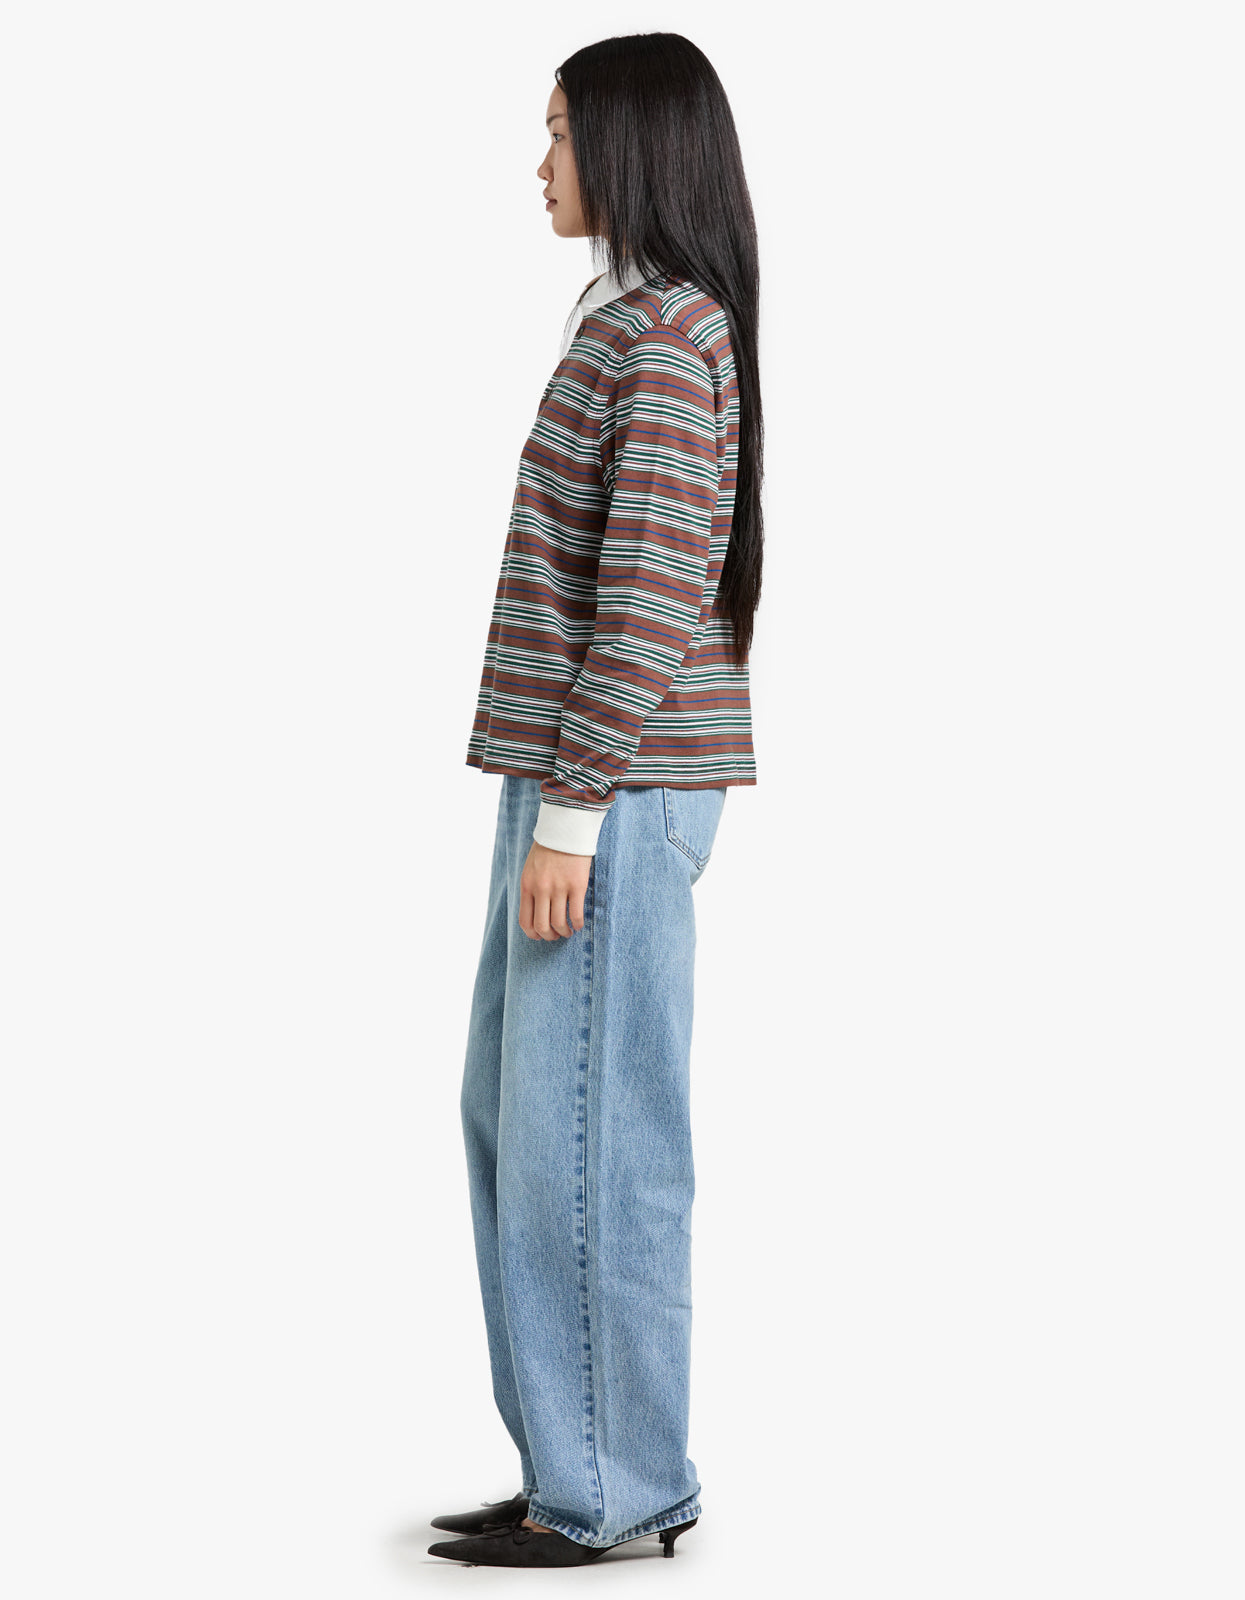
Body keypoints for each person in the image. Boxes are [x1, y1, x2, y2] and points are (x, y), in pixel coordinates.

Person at [428, 30, 764, 1570]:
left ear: (630, 144)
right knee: (521, 1123)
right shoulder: (627, 319)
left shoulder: (668, 333)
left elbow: (647, 590)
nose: (539, 161)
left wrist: (570, 811)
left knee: (595, 1144)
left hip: (610, 791)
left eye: (558, 130)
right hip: (578, 781)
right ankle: (576, 1462)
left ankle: (611, 1489)